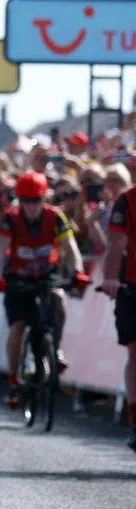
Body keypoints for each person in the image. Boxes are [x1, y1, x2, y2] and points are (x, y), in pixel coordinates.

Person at [0, 172, 89, 410]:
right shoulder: (10, 219)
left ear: (43, 199)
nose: (31, 206)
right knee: (17, 329)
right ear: (20, 201)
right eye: (26, 201)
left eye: (35, 200)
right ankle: (14, 381)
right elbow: (0, 249)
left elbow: (70, 247)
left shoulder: (56, 217)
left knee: (59, 300)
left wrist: (78, 271)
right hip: (18, 278)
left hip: (46, 275)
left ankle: (56, 349)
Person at [101, 179, 136, 449]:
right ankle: (135, 420)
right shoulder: (127, 200)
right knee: (135, 351)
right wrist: (111, 278)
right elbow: (116, 243)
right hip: (132, 285)